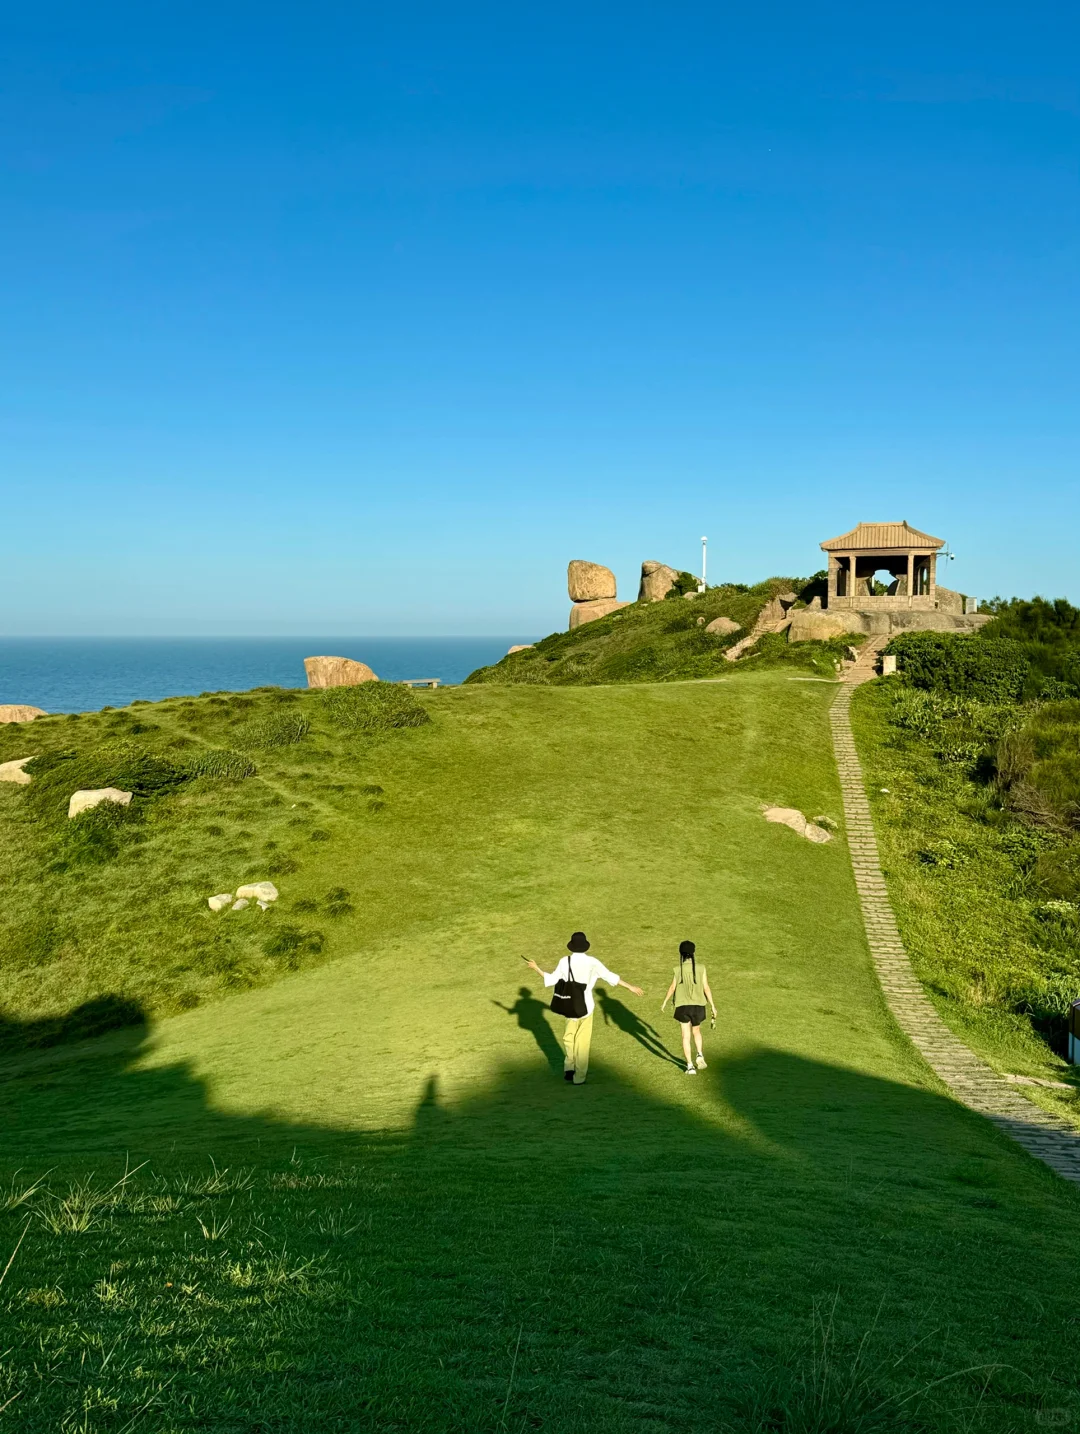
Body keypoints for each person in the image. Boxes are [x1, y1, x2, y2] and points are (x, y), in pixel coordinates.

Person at [523, 932, 644, 1085]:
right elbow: (610, 976)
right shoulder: (592, 962)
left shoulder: (564, 961)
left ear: (572, 946)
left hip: (569, 1006)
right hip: (586, 1007)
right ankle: (579, 1077)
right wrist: (630, 987)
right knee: (582, 1042)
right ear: (585, 946)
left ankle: (569, 1067)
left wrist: (536, 968)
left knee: (568, 1037)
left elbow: (552, 979)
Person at [660, 940, 716, 1075]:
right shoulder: (701, 968)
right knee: (696, 1031)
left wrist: (665, 1001)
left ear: (681, 953)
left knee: (686, 1036)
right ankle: (700, 1054)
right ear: (693, 952)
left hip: (682, 1006)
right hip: (698, 1006)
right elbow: (706, 987)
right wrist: (713, 1006)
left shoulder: (678, 969)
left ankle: (690, 1066)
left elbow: (672, 987)